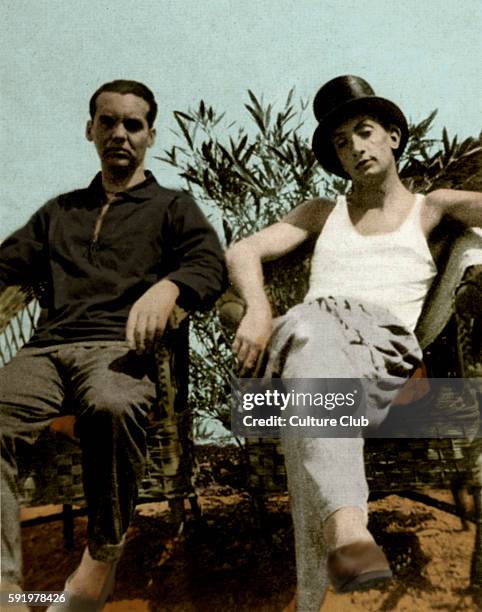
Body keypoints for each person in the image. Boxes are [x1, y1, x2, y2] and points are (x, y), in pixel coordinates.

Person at [226, 75, 482, 611]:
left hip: (386, 356)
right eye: (341, 142)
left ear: (393, 135)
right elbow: (243, 252)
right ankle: (345, 536)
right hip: (315, 344)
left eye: (364, 133)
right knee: (309, 354)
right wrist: (257, 306)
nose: (355, 148)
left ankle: (324, 566)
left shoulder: (430, 208)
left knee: (305, 364)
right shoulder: (322, 213)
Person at [0, 80, 226, 611]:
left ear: (149, 135)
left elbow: (209, 266)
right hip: (45, 351)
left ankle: (99, 560)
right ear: (90, 130)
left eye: (132, 124)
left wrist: (171, 285)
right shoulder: (61, 211)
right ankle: (7, 585)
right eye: (108, 122)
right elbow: (5, 265)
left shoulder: (172, 206)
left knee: (113, 405)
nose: (119, 134)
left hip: (117, 348)